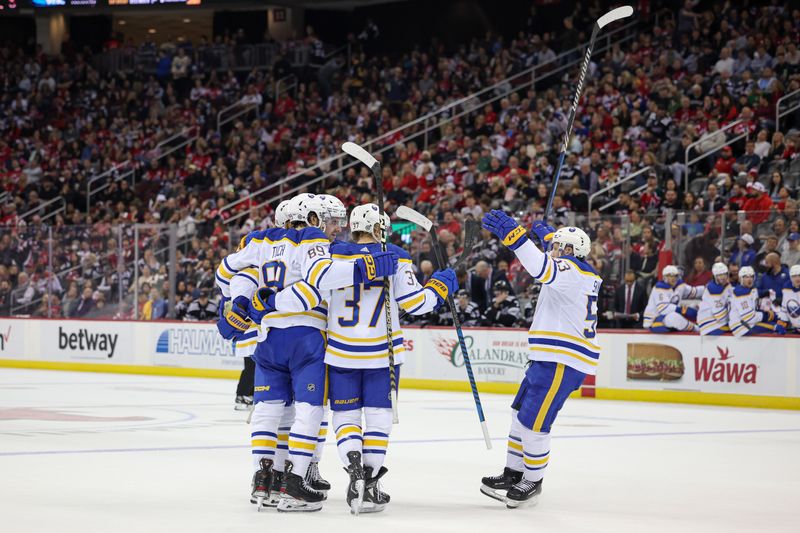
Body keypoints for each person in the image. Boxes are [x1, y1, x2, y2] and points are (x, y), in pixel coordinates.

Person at [215, 194, 377, 512]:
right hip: (307, 334)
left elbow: (227, 274)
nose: (335, 228)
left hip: (268, 336)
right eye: (330, 221)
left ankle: (266, 478)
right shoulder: (313, 241)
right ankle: (296, 479)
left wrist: (237, 303)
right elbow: (317, 282)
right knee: (308, 410)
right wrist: (367, 265)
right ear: (314, 219)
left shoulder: (259, 241)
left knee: (272, 410)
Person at [325, 203, 457, 514]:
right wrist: (440, 287)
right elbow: (414, 302)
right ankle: (369, 484)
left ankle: (354, 468)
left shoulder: (333, 253)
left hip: (341, 351)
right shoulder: (395, 254)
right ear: (378, 228)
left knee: (346, 417)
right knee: (378, 418)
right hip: (382, 354)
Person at [479, 211, 601, 508]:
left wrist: (517, 238)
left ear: (569, 251)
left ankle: (533, 480)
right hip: (549, 357)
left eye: (558, 246)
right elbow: (554, 256)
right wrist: (549, 236)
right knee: (519, 414)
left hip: (562, 360)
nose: (552, 249)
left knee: (535, 423)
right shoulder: (578, 269)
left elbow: (541, 267)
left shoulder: (571, 271)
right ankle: (513, 472)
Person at [643, 265, 704, 333]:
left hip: (667, 319)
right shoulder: (659, 288)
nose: (673, 278)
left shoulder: (680, 286)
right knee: (673, 317)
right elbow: (663, 309)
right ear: (664, 277)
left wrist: (707, 288)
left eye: (675, 276)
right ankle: (696, 329)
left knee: (694, 306)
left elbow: (694, 291)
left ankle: (704, 324)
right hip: (654, 320)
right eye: (670, 276)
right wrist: (683, 310)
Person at [729, 266, 785, 337]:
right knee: (776, 326)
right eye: (746, 277)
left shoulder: (750, 289)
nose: (749, 279)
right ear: (741, 279)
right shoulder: (740, 293)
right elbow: (749, 318)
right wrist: (767, 316)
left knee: (777, 321)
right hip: (740, 327)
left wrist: (766, 292)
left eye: (751, 276)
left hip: (746, 323)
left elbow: (755, 293)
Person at [698, 263, 733, 335]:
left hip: (717, 321)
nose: (723, 277)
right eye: (719, 275)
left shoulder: (726, 284)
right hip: (710, 324)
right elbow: (720, 316)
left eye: (724, 274)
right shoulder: (714, 289)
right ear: (714, 276)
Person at [779, 265, 800, 332]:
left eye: (799, 275)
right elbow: (784, 308)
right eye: (794, 276)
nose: (797, 278)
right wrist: (782, 324)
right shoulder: (787, 288)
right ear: (790, 277)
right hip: (795, 328)